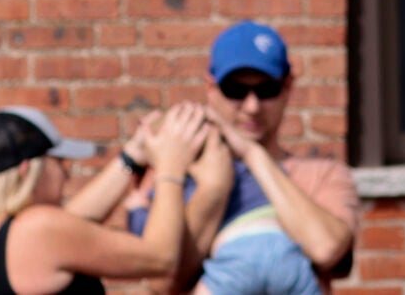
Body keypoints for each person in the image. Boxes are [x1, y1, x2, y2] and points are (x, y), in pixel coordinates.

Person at [128, 22, 359, 295]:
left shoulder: (324, 175)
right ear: (211, 88)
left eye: (266, 90)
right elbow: (162, 282)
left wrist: (252, 156)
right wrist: (214, 190)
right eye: (236, 91)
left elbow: (327, 249)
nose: (252, 107)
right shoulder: (171, 175)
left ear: (288, 87)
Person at [0, 105, 213, 295]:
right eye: (59, 162)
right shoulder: (37, 229)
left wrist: (133, 155)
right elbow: (161, 259)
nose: (67, 172)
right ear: (28, 170)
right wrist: (170, 167)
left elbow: (74, 223)